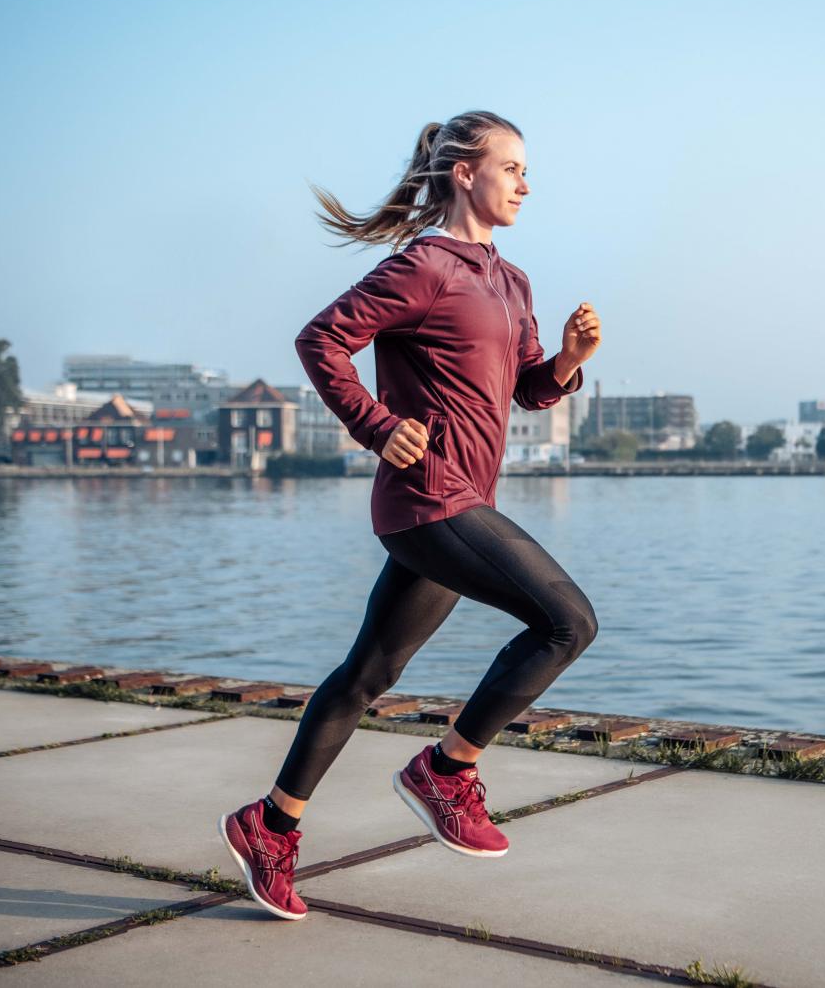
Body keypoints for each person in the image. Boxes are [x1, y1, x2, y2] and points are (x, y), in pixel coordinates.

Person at [218, 111, 603, 920]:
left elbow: (526, 387)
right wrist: (376, 425)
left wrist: (567, 362)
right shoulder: (424, 266)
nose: (526, 184)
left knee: (368, 674)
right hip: (429, 498)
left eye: (527, 171)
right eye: (512, 168)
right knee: (567, 621)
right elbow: (321, 340)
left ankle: (270, 824)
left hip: (462, 502)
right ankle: (447, 771)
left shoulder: (512, 280)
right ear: (465, 173)